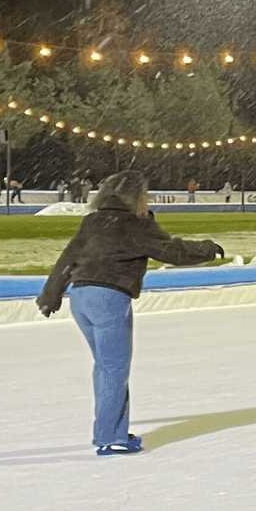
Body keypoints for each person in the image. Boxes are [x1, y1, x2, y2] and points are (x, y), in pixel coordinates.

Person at [36, 171, 223, 456]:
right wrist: (206, 249)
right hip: (109, 298)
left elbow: (68, 258)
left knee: (105, 367)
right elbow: (172, 251)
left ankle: (114, 430)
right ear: (137, 198)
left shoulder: (93, 221)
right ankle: (110, 437)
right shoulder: (134, 226)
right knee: (114, 369)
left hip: (81, 297)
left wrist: (51, 295)